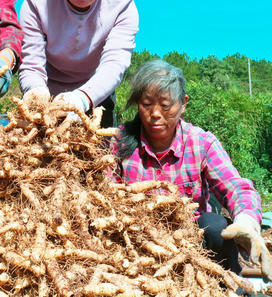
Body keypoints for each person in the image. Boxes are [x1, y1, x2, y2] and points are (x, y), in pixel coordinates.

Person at [109, 59, 271, 281]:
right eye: (147, 104)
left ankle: (227, 284)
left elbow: (235, 187)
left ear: (183, 103)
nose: (155, 113)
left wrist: (247, 221)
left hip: (193, 243)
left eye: (165, 105)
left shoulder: (201, 143)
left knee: (214, 226)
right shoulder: (119, 142)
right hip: (136, 242)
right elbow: (104, 194)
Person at [18, 0, 139, 127]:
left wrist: (82, 98)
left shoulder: (122, 8)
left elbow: (114, 65)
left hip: (96, 97)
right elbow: (32, 63)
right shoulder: (36, 4)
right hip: (46, 98)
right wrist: (36, 92)